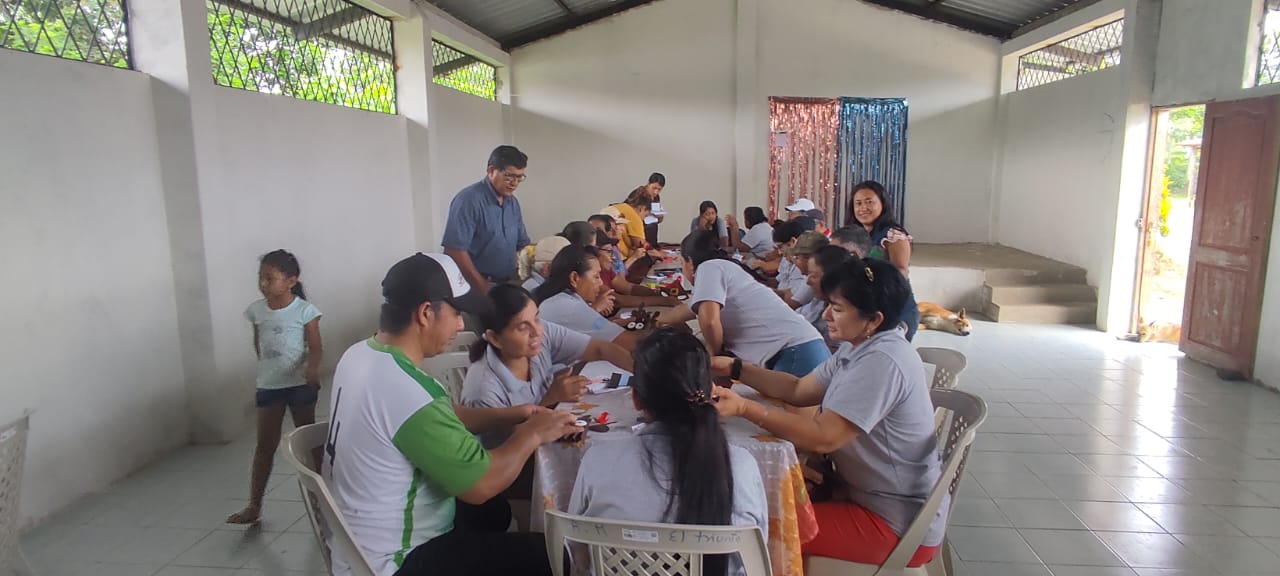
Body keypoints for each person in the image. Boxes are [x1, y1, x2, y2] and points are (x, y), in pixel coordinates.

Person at [323, 252, 581, 576]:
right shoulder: (408, 391)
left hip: (357, 541)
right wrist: (534, 433)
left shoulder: (361, 355)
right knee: (555, 556)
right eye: (457, 313)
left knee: (495, 513)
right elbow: (482, 484)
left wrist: (516, 414)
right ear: (425, 313)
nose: (460, 325)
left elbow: (440, 415)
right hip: (394, 561)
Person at [709, 257, 945, 569]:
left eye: (838, 309)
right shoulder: (858, 346)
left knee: (754, 531)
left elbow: (822, 438)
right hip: (865, 495)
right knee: (755, 504)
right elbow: (798, 389)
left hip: (895, 523)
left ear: (873, 319)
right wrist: (737, 368)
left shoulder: (882, 361)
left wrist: (744, 407)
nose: (825, 315)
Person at [569, 329, 768, 576]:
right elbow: (756, 556)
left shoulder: (597, 461)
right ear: (711, 392)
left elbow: (576, 550)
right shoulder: (742, 466)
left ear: (636, 399)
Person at [461, 285, 634, 443]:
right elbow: (510, 449)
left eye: (536, 318)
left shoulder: (540, 335)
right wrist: (551, 399)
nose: (537, 331)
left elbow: (600, 349)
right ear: (494, 338)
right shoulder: (484, 392)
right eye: (522, 328)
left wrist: (642, 375)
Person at [228, 249, 323, 526]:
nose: (263, 284)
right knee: (264, 447)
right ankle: (254, 505)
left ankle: (323, 500)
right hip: (270, 386)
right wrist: (269, 372)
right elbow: (259, 345)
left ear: (291, 281)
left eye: (270, 278)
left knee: (309, 444)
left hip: (300, 386)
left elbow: (316, 347)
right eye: (261, 277)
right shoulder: (257, 311)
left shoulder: (305, 311)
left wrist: (312, 369)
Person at [656, 231, 828, 376]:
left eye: (682, 263)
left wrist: (712, 355)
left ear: (690, 262)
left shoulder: (709, 268)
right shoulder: (722, 269)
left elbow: (709, 322)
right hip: (804, 348)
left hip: (796, 352)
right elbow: (685, 310)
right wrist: (656, 319)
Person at [442, 145, 531, 292]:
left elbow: (522, 244)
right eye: (509, 176)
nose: (514, 183)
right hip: (474, 286)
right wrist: (483, 287)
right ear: (491, 170)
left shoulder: (512, 203)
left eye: (519, 177)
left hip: (506, 283)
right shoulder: (469, 200)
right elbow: (455, 251)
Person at [848, 180, 920, 341]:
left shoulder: (893, 236)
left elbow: (900, 273)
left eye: (869, 202)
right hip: (869, 308)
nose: (863, 208)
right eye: (858, 203)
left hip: (895, 310)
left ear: (883, 203)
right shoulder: (855, 235)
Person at [804, 245, 852, 349]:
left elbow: (834, 351)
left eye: (813, 276)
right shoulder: (818, 301)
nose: (808, 282)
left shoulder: (847, 313)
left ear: (831, 277)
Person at [780, 232, 828, 311]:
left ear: (810, 259)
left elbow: (791, 306)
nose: (795, 262)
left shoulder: (813, 280)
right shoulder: (809, 276)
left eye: (797, 257)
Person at [609, 194, 653, 259]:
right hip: (618, 257)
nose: (643, 220)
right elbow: (641, 244)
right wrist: (659, 254)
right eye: (645, 216)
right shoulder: (634, 216)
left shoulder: (617, 207)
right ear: (641, 209)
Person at [643, 172, 666, 246]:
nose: (656, 192)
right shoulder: (639, 194)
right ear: (648, 183)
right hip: (641, 228)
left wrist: (660, 216)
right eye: (654, 188)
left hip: (652, 227)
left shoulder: (656, 197)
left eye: (659, 189)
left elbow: (659, 219)